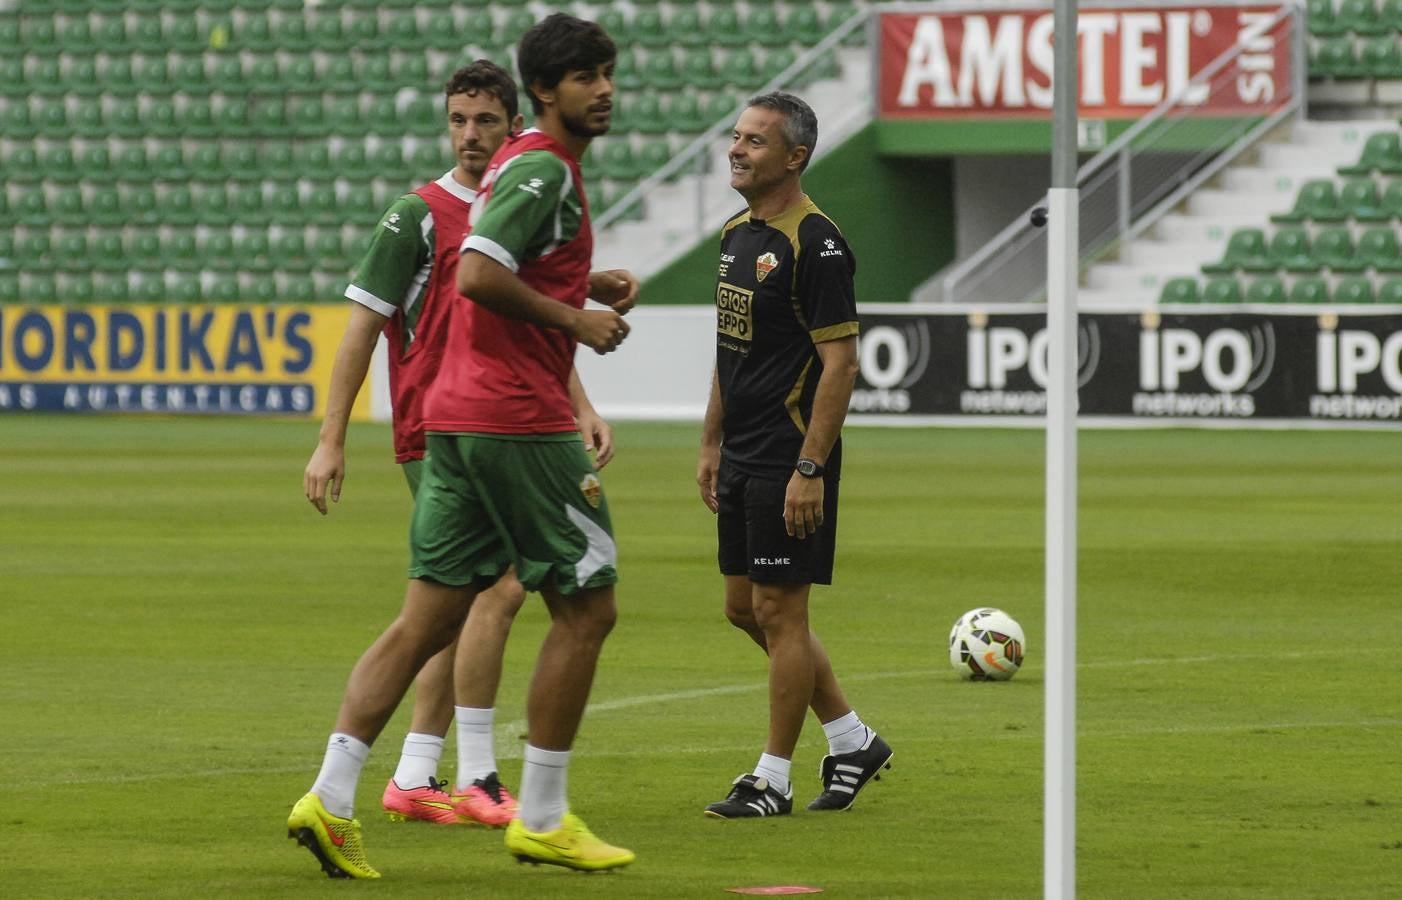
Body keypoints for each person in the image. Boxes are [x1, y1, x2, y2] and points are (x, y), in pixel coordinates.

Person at [286, 15, 636, 879]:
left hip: (452, 421)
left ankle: (330, 800)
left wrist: (580, 282)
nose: (605, 90)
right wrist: (580, 320)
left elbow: (485, 262)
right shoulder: (543, 166)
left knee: (430, 617)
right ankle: (542, 813)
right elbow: (476, 275)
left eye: (607, 73)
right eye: (588, 76)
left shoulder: (513, 171)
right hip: (514, 420)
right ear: (548, 93)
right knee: (587, 607)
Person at [696, 91, 893, 820]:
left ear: (794, 157)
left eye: (754, 140)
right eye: (737, 136)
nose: (737, 149)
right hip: (742, 451)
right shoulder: (734, 237)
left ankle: (769, 780)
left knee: (779, 610)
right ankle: (851, 738)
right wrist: (710, 441)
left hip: (789, 454)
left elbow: (840, 365)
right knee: (744, 609)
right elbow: (728, 350)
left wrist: (811, 467)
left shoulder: (819, 243)